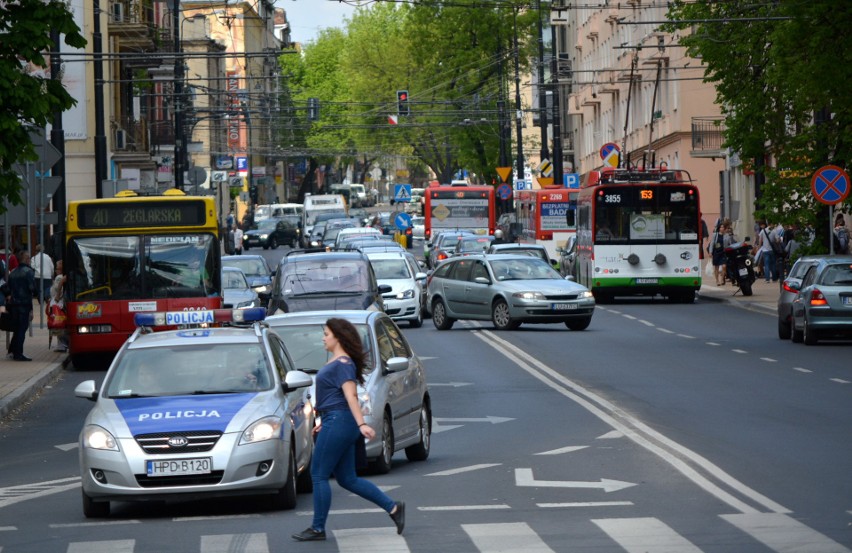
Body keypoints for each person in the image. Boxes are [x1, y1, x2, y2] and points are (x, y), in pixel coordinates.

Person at [291, 318, 404, 542]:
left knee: (318, 474)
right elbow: (337, 398)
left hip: (339, 421)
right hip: (336, 420)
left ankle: (317, 528)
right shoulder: (340, 362)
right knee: (347, 479)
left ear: (338, 337)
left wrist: (362, 424)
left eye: (326, 334)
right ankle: (394, 508)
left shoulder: (342, 364)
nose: (323, 338)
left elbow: (351, 395)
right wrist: (326, 419)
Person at [7, 250, 36, 361]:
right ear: (26, 259)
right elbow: (32, 288)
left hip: (14, 304)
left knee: (17, 328)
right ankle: (18, 353)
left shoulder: (13, 272)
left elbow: (8, 289)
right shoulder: (29, 272)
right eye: (29, 258)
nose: (30, 260)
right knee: (22, 329)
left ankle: (13, 350)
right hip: (24, 304)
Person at [49, 259, 69, 352]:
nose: (56, 270)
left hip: (57, 303)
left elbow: (57, 291)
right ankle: (63, 344)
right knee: (62, 323)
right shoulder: (63, 277)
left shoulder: (59, 278)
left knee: (58, 323)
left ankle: (61, 344)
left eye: (57, 268)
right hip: (61, 303)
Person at [709, 221, 727, 286]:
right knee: (716, 267)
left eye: (723, 227)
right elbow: (712, 243)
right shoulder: (715, 235)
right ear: (719, 228)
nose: (722, 228)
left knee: (724, 266)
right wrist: (710, 252)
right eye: (721, 227)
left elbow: (728, 244)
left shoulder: (726, 235)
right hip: (716, 252)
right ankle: (717, 280)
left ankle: (722, 279)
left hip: (723, 252)